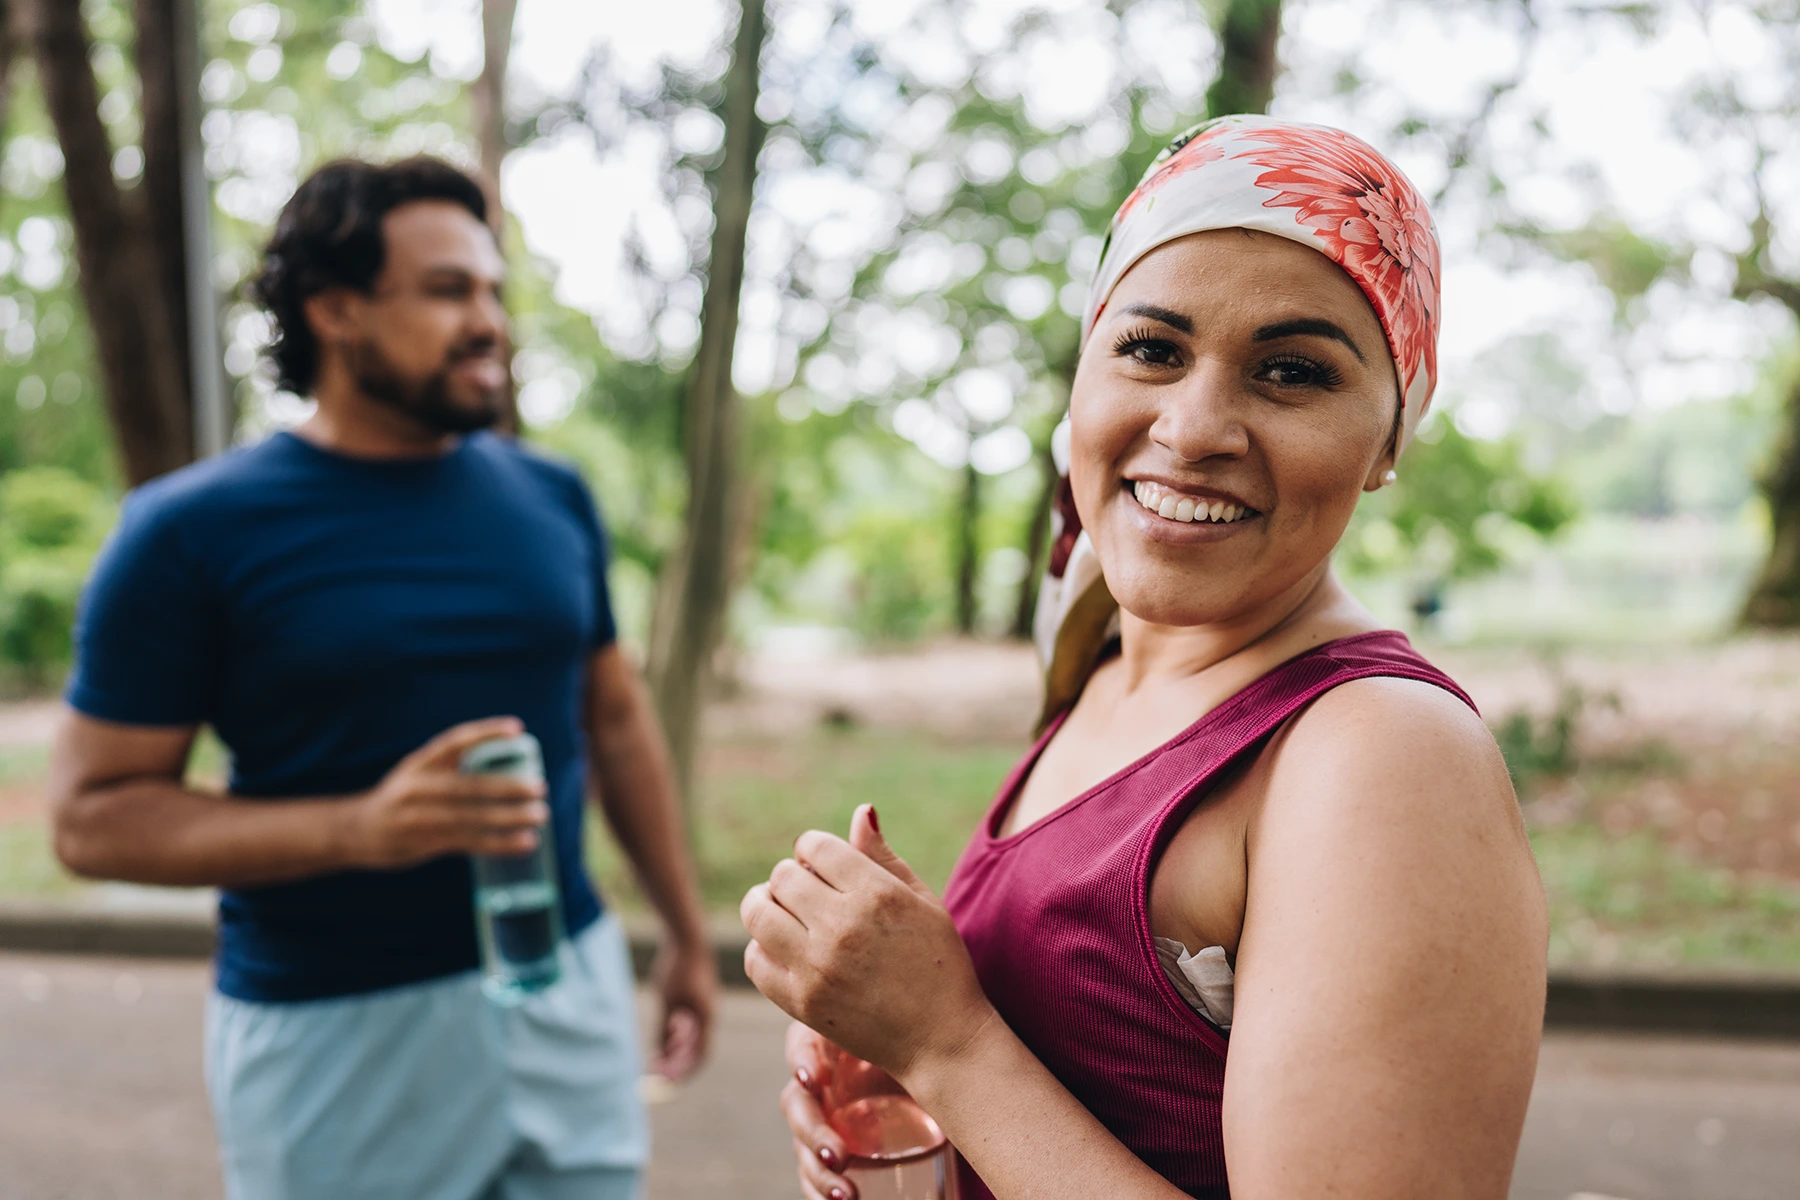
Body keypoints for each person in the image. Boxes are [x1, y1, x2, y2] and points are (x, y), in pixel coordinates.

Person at [744, 116, 1547, 1199]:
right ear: (1084, 372)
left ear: (1390, 438)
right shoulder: (1111, 663)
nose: (1196, 425)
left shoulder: (1381, 756)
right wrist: (896, 1043)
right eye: (1152, 349)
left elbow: (979, 1055)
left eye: (1293, 371)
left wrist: (950, 1046)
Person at [46, 157, 716, 1200]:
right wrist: (360, 828)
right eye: (450, 291)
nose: (490, 321)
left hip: (565, 985)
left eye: (493, 290)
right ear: (336, 310)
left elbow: (615, 720)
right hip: (333, 1031)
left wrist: (681, 931)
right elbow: (91, 819)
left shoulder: (552, 496)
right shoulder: (187, 534)